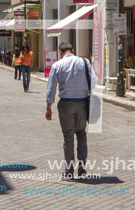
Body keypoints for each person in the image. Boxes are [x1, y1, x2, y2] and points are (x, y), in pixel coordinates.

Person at [45, 41, 96, 179]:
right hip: (82, 103)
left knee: (68, 137)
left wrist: (49, 108)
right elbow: (94, 81)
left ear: (60, 52)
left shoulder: (57, 65)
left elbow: (51, 88)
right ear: (72, 50)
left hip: (66, 103)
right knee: (81, 134)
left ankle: (69, 170)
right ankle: (82, 168)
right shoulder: (84, 62)